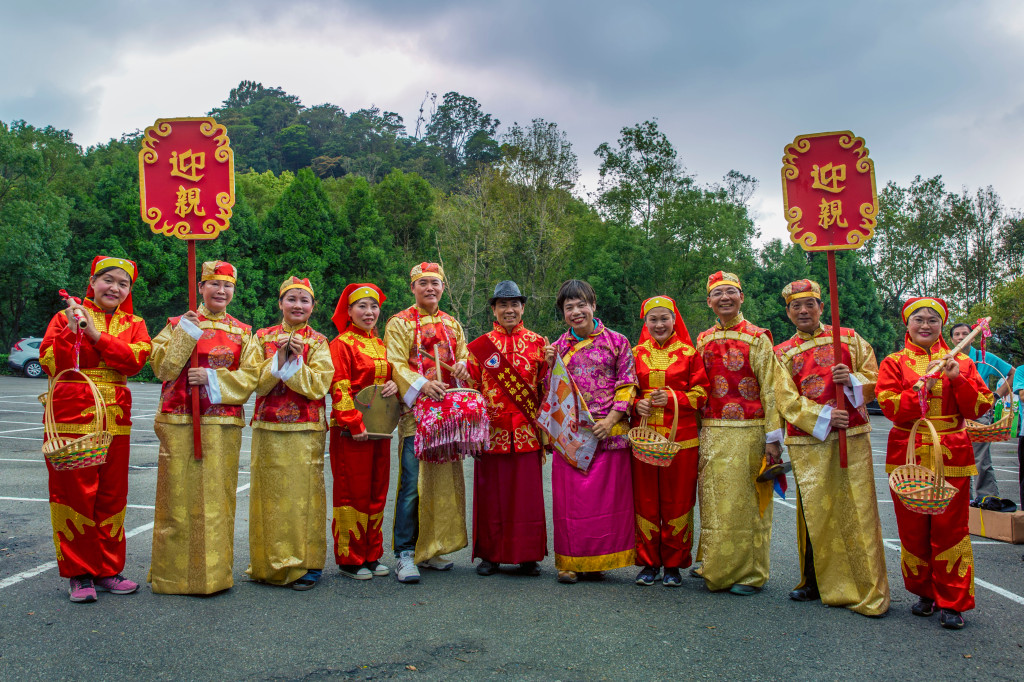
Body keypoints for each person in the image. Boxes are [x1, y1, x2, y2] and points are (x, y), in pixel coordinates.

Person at [771, 279, 889, 616]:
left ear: (822, 307)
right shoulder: (782, 353)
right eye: (796, 306)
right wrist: (823, 416)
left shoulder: (849, 338)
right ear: (789, 312)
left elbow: (874, 376)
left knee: (858, 508)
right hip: (810, 439)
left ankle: (866, 583)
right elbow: (785, 399)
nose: (804, 310)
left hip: (852, 436)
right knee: (814, 509)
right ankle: (813, 580)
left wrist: (850, 380)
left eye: (810, 304)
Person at [877, 297, 994, 629]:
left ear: (942, 325)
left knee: (950, 530)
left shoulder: (961, 363)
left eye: (933, 320)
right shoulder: (894, 362)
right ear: (907, 324)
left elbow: (980, 408)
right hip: (908, 452)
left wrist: (958, 379)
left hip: (952, 453)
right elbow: (889, 407)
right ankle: (924, 592)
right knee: (913, 531)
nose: (925, 325)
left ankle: (952, 601)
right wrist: (920, 389)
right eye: (919, 319)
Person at [40, 256, 151, 603]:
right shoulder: (64, 317)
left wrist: (94, 335)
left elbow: (135, 361)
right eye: (108, 280)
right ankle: (79, 573)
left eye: (123, 284)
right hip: (72, 418)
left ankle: (108, 570)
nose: (114, 288)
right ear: (92, 282)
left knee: (112, 497)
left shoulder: (135, 323)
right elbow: (49, 362)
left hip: (116, 419)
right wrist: (72, 332)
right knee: (73, 495)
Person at [148, 261, 257, 595]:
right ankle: (171, 575)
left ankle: (215, 575)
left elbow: (251, 376)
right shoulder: (177, 323)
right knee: (177, 496)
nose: (221, 292)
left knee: (218, 500)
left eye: (227, 286)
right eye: (214, 285)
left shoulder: (242, 331)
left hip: (222, 424)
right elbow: (162, 368)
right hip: (179, 419)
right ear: (201, 287)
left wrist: (211, 378)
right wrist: (186, 334)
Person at [543, 279, 638, 583]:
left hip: (608, 433)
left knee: (604, 504)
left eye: (581, 304)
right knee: (570, 503)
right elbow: (550, 394)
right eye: (569, 307)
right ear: (563, 313)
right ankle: (570, 562)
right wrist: (547, 368)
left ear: (593, 305)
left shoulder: (618, 341)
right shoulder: (556, 348)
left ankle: (599, 560)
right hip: (571, 437)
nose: (576, 311)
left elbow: (627, 384)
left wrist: (610, 421)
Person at [693, 271, 782, 596]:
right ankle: (715, 564)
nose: (725, 298)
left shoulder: (759, 338)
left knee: (748, 505)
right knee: (715, 502)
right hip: (712, 433)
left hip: (750, 432)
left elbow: (771, 390)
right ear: (709, 302)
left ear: (741, 297)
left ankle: (750, 573)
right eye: (718, 294)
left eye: (731, 292)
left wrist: (774, 438)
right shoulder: (702, 339)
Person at [383, 262, 471, 583]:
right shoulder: (399, 323)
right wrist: (421, 384)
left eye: (435, 283)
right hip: (416, 417)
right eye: (424, 283)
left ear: (443, 288)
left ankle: (431, 548)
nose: (430, 288)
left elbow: (465, 357)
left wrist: (462, 366)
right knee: (411, 485)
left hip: (447, 417)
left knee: (441, 483)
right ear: (413, 288)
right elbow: (393, 362)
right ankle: (405, 553)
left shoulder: (452, 324)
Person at [245, 277, 334, 590]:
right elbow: (253, 381)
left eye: (304, 300)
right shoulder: (261, 337)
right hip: (268, 427)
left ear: (313, 306)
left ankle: (307, 565)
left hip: (306, 430)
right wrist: (280, 357)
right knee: (268, 497)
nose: (298, 305)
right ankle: (267, 563)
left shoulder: (320, 342)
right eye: (291, 299)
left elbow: (320, 386)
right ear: (280, 303)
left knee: (304, 498)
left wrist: (295, 359)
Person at [466, 281, 548, 577]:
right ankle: (490, 554)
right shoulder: (480, 346)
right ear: (494, 309)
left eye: (514, 304)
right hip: (491, 433)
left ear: (522, 307)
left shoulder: (540, 344)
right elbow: (472, 392)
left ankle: (528, 556)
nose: (509, 309)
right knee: (492, 497)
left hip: (527, 434)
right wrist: (473, 435)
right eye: (503, 304)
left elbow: (547, 390)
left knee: (526, 498)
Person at [630, 296, 709, 587]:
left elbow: (702, 392)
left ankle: (674, 564)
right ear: (646, 322)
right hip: (644, 441)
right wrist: (636, 403)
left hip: (682, 442)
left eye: (665, 318)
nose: (659, 324)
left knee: (678, 502)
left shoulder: (690, 353)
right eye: (654, 319)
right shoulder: (635, 352)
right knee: (646, 501)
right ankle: (648, 563)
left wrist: (675, 397)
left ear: (675, 320)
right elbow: (625, 390)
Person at [328, 282, 398, 580]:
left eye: (374, 307)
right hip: (350, 431)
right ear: (349, 311)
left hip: (380, 430)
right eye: (362, 307)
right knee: (351, 493)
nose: (369, 312)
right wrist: (354, 424)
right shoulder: (341, 344)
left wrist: (395, 384)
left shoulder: (381, 345)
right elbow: (339, 388)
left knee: (376, 491)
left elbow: (390, 381)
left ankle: (371, 554)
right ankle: (350, 558)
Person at [949, 322, 1016, 505]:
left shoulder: (985, 357)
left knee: (980, 458)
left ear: (974, 336)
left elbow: (1012, 374)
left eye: (965, 334)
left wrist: (996, 395)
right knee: (955, 458)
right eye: (957, 334)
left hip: (979, 413)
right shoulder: (947, 358)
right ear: (952, 339)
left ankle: (987, 498)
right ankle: (961, 500)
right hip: (953, 414)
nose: (961, 337)